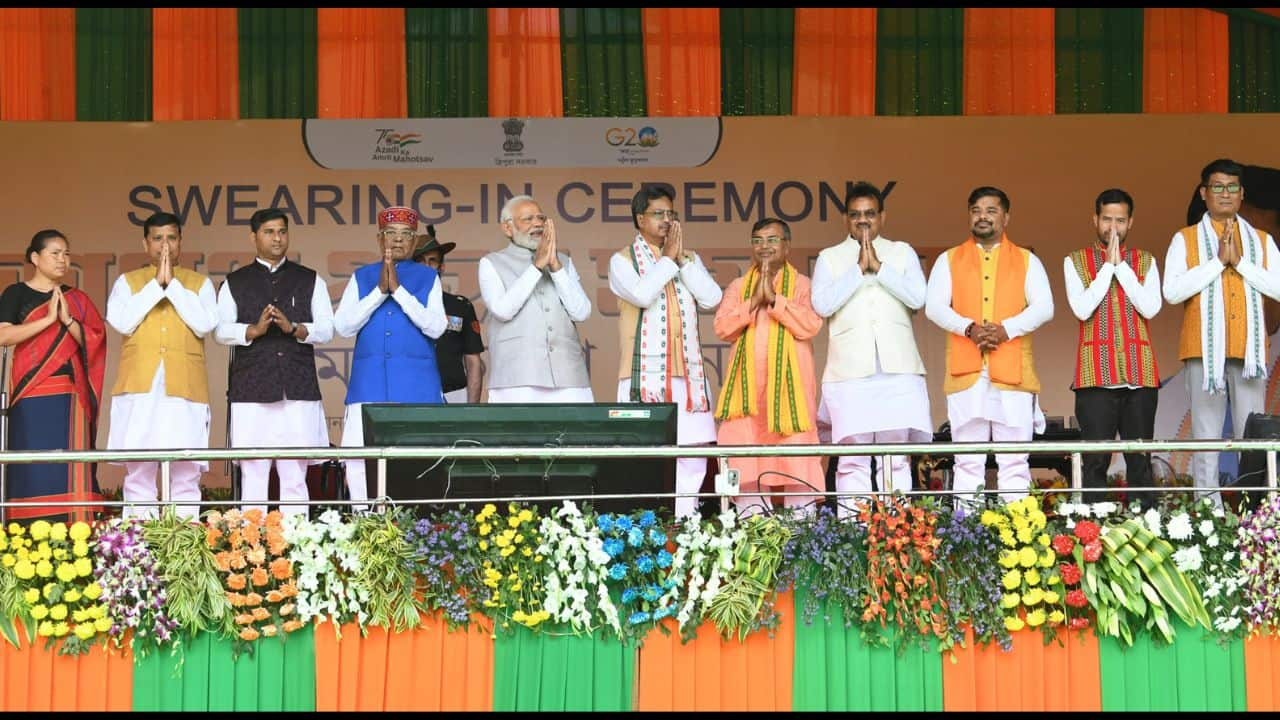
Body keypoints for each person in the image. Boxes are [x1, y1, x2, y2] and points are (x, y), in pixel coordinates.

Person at [925, 187, 1054, 504]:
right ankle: (969, 542)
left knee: (1014, 462)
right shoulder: (948, 259)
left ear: (1006, 217)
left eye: (991, 210)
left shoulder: (1027, 260)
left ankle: (1017, 539)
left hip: (1012, 372)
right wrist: (967, 328)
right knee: (967, 462)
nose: (982, 216)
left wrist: (1005, 330)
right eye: (976, 210)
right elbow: (934, 307)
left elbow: (1044, 307)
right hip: (966, 373)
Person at [1163, 158, 1280, 504]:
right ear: (1204, 193)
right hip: (1202, 350)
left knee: (1252, 437)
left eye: (1231, 187)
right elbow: (1172, 292)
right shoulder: (1184, 240)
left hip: (1249, 352)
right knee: (1206, 438)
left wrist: (1239, 263)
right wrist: (1217, 263)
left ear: (1241, 194)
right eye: (1217, 187)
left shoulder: (1260, 241)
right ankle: (1209, 513)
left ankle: (1252, 513)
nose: (1225, 194)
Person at [812, 182, 931, 516]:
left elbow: (917, 297)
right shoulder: (830, 257)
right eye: (855, 215)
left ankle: (899, 533)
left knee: (896, 458)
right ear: (846, 219)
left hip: (898, 370)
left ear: (882, 217)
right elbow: (822, 304)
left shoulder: (901, 252)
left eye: (869, 214)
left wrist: (879, 268)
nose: (862, 221)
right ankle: (855, 532)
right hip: (849, 372)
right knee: (853, 460)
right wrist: (857, 271)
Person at [609, 186, 723, 519]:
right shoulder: (621, 260)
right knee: (640, 457)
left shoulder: (688, 258)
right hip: (643, 379)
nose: (666, 220)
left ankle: (687, 524)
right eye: (658, 214)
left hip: (687, 378)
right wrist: (670, 260)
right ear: (639, 218)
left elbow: (712, 298)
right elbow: (643, 295)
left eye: (670, 214)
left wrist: (682, 262)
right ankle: (641, 530)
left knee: (692, 454)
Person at [215, 208, 334, 517]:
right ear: (254, 237)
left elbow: (327, 328)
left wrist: (294, 328)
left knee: (294, 473)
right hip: (251, 388)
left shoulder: (309, 279)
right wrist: (251, 331)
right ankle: (253, 551)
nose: (277, 238)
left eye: (282, 231)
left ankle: (296, 548)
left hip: (296, 387)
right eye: (269, 232)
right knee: (254, 473)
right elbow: (220, 329)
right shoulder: (234, 282)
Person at [105, 212, 218, 519]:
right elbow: (123, 322)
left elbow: (205, 324)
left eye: (171, 238)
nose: (164, 246)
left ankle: (184, 546)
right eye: (157, 238)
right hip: (140, 389)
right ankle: (139, 546)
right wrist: (157, 285)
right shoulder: (126, 283)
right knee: (139, 470)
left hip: (185, 390)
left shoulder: (200, 284)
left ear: (180, 241)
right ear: (145, 243)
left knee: (186, 470)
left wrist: (174, 287)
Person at [333, 206, 446, 508]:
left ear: (413, 241)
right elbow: (342, 326)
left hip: (416, 387)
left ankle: (418, 525)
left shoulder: (427, 277)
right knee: (358, 459)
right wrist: (379, 292)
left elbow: (437, 328)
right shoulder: (361, 276)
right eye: (391, 234)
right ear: (379, 238)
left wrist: (399, 291)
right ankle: (361, 522)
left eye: (406, 235)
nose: (398, 241)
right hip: (367, 385)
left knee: (419, 459)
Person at [714, 218, 823, 516]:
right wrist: (753, 302)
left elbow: (810, 325)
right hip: (746, 399)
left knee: (796, 464)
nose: (765, 246)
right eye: (758, 240)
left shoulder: (802, 285)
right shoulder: (738, 287)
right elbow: (722, 327)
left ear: (787, 246)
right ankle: (752, 533)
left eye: (772, 240)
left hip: (792, 398)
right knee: (747, 463)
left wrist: (774, 299)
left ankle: (804, 542)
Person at [1064, 189, 1161, 508]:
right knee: (1095, 462)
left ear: (1130, 222)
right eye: (1107, 219)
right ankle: (1092, 532)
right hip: (1095, 378)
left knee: (1140, 461)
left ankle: (1146, 531)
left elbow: (1149, 308)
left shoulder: (1146, 261)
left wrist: (1122, 267)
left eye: (1120, 220)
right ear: (1095, 219)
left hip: (1140, 376)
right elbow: (1082, 309)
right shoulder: (1075, 260)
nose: (1113, 227)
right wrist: (1108, 267)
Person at [0, 230, 106, 522]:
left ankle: (76, 533)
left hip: (70, 397)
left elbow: (94, 339)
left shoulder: (77, 299)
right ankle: (24, 533)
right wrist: (47, 320)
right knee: (32, 465)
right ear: (35, 258)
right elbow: (4, 335)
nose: (63, 260)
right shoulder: (16, 293)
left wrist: (67, 320)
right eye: (55, 253)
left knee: (68, 465)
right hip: (30, 393)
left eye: (66, 254)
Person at [477, 196, 592, 403]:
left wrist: (555, 266)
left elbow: (581, 312)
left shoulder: (564, 262)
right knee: (519, 436)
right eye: (528, 219)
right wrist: (537, 267)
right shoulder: (492, 262)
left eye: (541, 218)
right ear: (507, 228)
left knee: (579, 435)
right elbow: (502, 310)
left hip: (570, 376)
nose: (538, 223)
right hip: (517, 378)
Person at [414, 227, 486, 404]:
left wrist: (472, 410)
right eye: (420, 261)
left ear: (442, 266)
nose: (426, 266)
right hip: (412, 394)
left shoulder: (460, 306)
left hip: (454, 394)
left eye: (432, 261)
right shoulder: (401, 305)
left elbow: (473, 361)